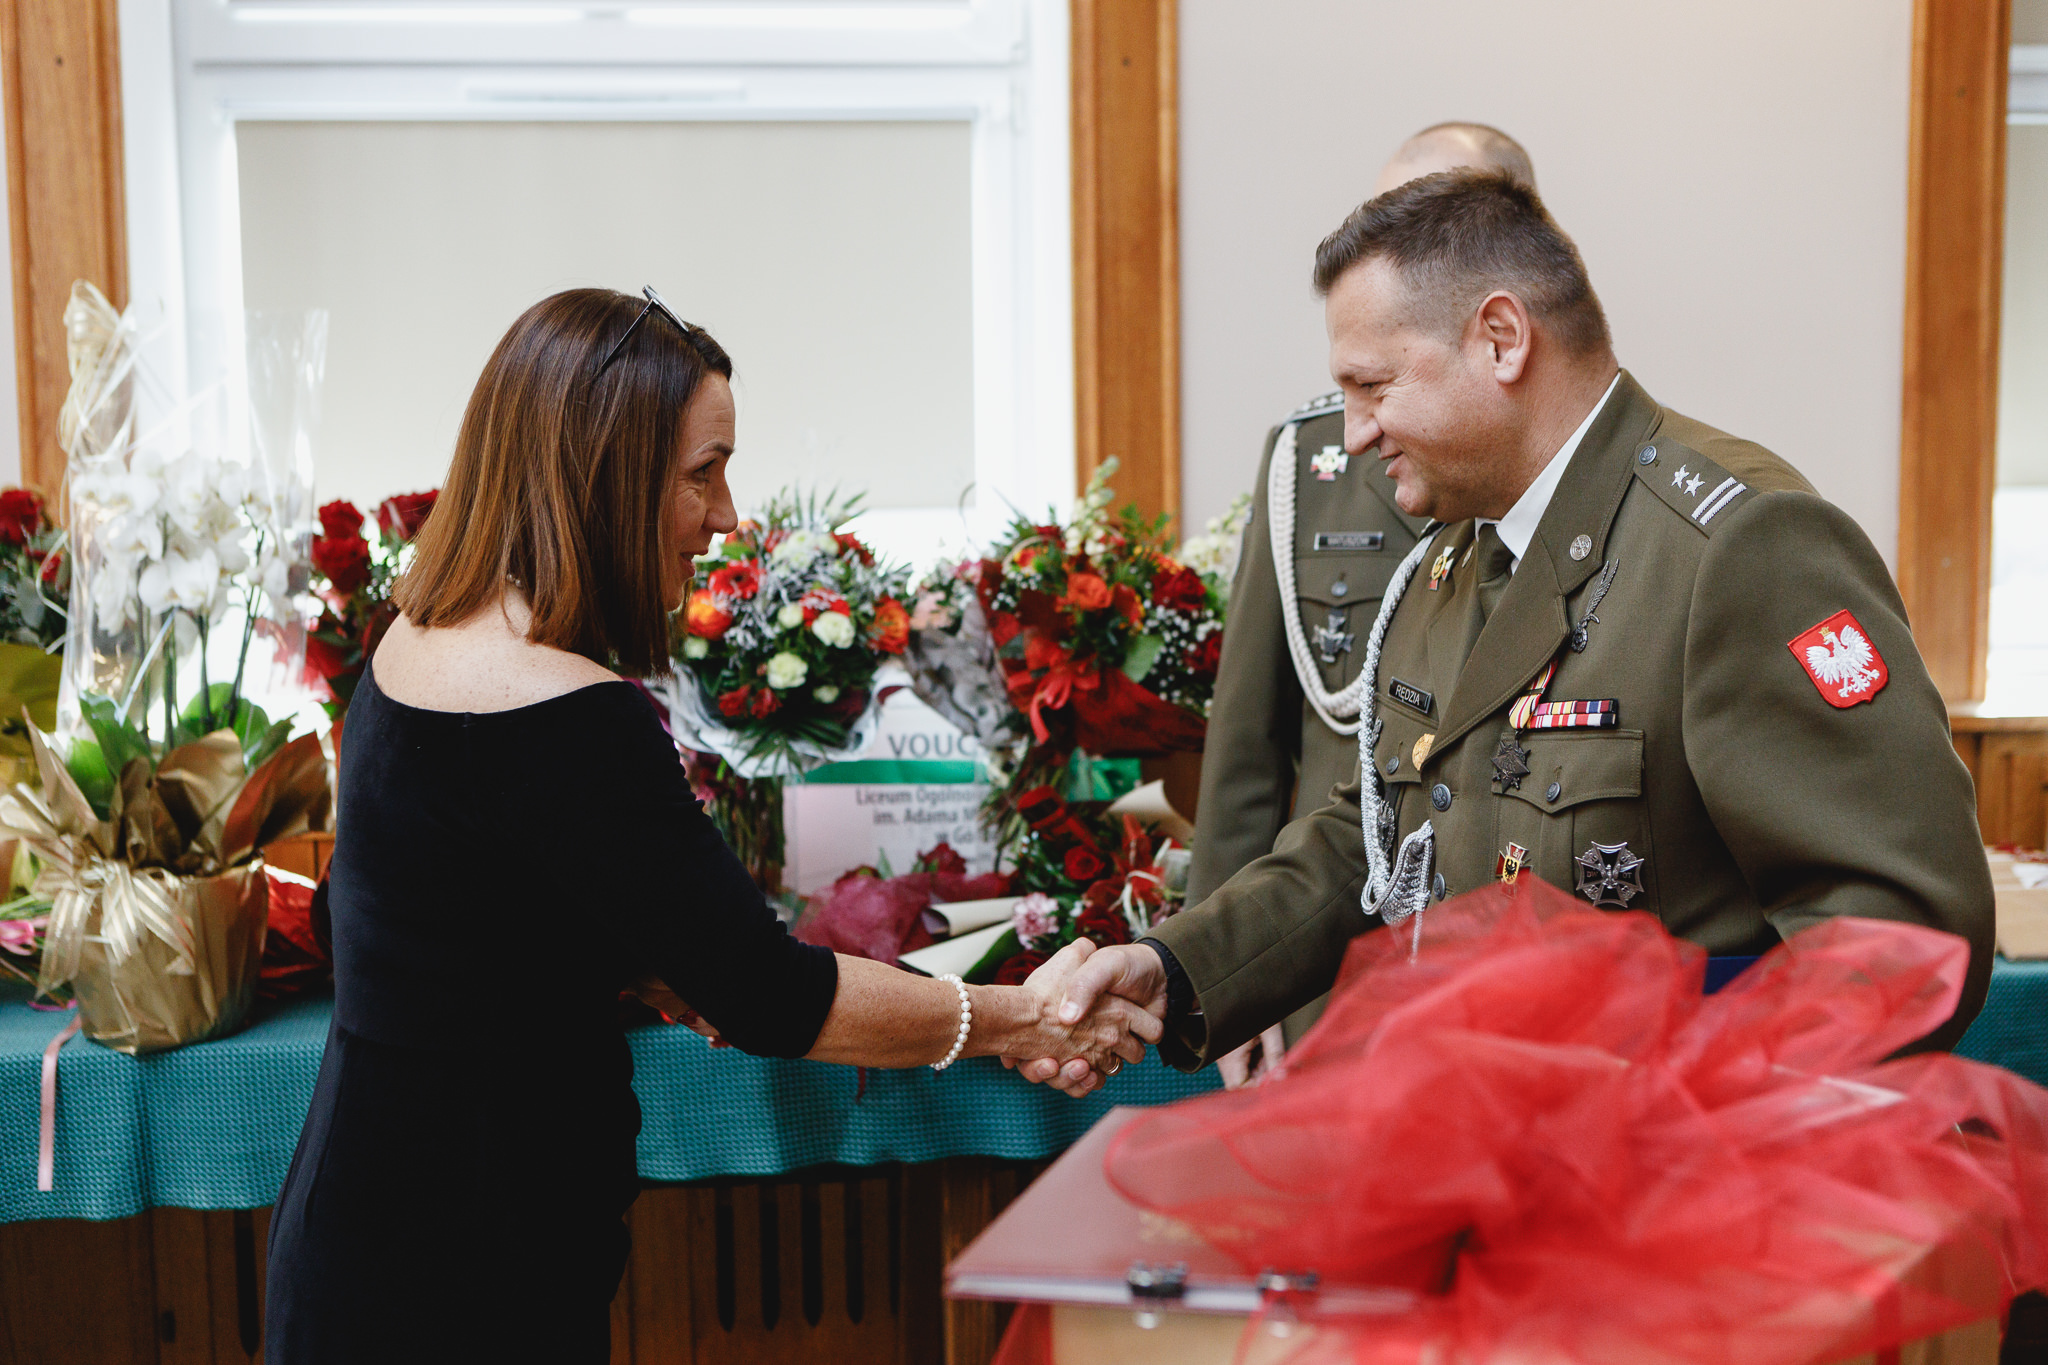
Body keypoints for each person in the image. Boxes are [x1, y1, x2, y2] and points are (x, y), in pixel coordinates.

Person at [262, 288, 1158, 1361]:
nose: (726, 513)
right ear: (604, 469)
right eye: (703, 471)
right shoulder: (568, 714)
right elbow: (772, 996)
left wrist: (627, 960)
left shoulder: (416, 641)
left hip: (364, 1231)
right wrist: (1021, 1018)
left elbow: (440, 914)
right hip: (461, 1276)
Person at [1024, 170, 1996, 1097]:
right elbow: (1378, 836)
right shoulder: (1453, 557)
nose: (1353, 434)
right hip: (1492, 1155)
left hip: (1682, 1175)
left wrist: (1686, 1105)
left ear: (1499, 340)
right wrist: (1176, 967)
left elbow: (1901, 935)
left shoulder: (1735, 546)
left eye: (1373, 387)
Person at [1192, 123, 1537, 1089]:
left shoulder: (1582, 466)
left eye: (1434, 223)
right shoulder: (1314, 460)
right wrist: (1235, 980)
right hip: (1330, 960)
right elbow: (1249, 738)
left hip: (1517, 965)